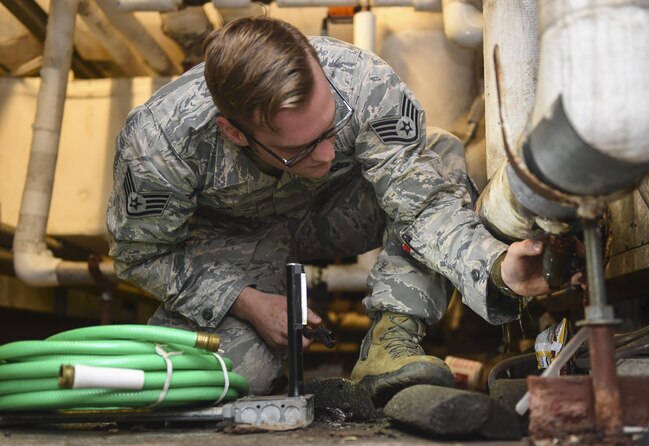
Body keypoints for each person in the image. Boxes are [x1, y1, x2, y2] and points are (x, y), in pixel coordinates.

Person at [107, 16, 555, 404]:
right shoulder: (159, 145)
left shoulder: (362, 80)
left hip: (333, 209)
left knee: (438, 151)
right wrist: (246, 303)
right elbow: (143, 255)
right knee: (230, 379)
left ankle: (391, 342)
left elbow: (421, 204)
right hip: (229, 243)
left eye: (330, 129)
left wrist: (495, 267)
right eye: (297, 148)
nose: (324, 156)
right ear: (235, 133)